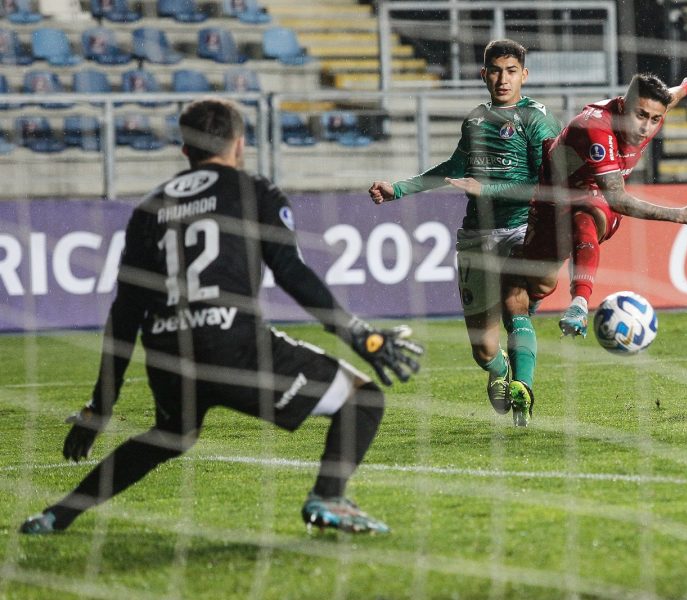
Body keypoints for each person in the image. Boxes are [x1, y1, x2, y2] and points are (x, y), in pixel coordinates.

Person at [20, 97, 422, 536]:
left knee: (170, 435)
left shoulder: (148, 209)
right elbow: (291, 271)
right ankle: (328, 497)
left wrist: (100, 407)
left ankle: (57, 515)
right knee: (363, 399)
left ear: (184, 149)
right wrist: (360, 335)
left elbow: (125, 313)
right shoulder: (253, 191)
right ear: (239, 144)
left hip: (169, 355)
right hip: (234, 346)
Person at [368, 39, 561, 426]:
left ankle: (523, 388)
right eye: (495, 70)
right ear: (484, 74)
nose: (503, 79)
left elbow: (549, 185)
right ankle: (498, 369)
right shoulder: (475, 119)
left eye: (511, 71)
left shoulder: (538, 119)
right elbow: (453, 167)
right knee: (483, 348)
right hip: (477, 236)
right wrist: (399, 189)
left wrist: (487, 189)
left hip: (522, 227)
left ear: (524, 75)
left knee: (515, 304)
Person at [501, 72, 687, 424]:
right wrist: (680, 215)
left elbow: (668, 97)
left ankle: (580, 302)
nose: (646, 127)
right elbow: (619, 197)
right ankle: (521, 342)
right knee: (526, 291)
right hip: (549, 206)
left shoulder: (651, 112)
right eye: (640, 116)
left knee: (590, 209)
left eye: (654, 119)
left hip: (589, 203)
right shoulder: (595, 128)